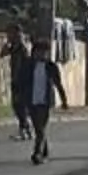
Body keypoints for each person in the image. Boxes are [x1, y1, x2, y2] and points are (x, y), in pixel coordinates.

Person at [16, 34, 67, 164]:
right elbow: (20, 82)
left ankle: (37, 153)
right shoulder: (28, 65)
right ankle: (44, 152)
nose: (41, 55)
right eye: (39, 52)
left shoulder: (51, 67)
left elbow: (58, 84)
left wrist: (64, 100)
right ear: (34, 52)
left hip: (45, 102)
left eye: (44, 52)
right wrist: (19, 96)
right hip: (31, 101)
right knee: (38, 128)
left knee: (40, 128)